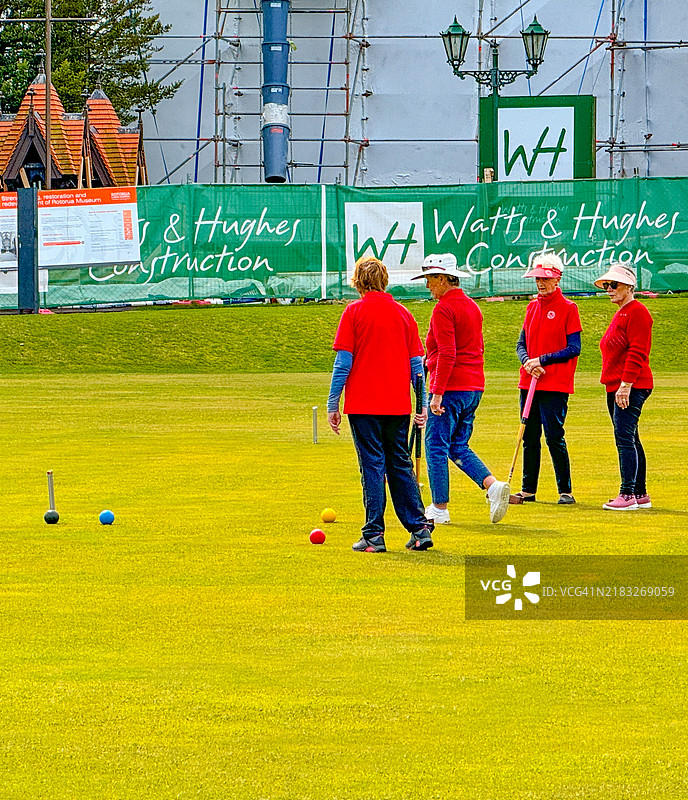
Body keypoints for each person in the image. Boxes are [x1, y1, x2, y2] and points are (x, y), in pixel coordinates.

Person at [327, 255, 435, 552]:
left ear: (358, 282)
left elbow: (343, 363)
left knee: (372, 466)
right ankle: (419, 528)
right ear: (384, 281)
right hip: (397, 405)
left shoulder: (353, 312)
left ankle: (374, 534)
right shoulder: (403, 314)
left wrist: (332, 403)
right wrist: (421, 404)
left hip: (363, 405)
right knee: (399, 464)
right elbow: (417, 366)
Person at [409, 253, 511, 525]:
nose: (428, 285)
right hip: (473, 387)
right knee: (457, 445)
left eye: (430, 279)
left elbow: (447, 352)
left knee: (435, 444)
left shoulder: (443, 309)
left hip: (452, 388)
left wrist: (436, 393)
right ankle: (492, 486)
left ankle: (439, 507)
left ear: (443, 278)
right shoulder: (472, 306)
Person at [512, 253, 581, 504]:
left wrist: (542, 360)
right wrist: (528, 362)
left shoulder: (569, 308)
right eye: (538, 278)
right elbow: (521, 344)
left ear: (557, 279)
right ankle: (528, 489)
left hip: (555, 383)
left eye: (545, 279)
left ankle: (565, 491)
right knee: (529, 436)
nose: (541, 283)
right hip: (529, 381)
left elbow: (573, 348)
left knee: (554, 436)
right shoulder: (531, 307)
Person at [594, 264, 653, 510]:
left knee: (624, 438)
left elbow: (637, 351)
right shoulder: (622, 313)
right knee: (630, 437)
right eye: (607, 285)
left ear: (629, 286)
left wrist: (626, 385)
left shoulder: (637, 312)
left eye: (614, 284)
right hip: (617, 385)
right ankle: (640, 493)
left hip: (631, 385)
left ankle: (627, 494)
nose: (609, 289)